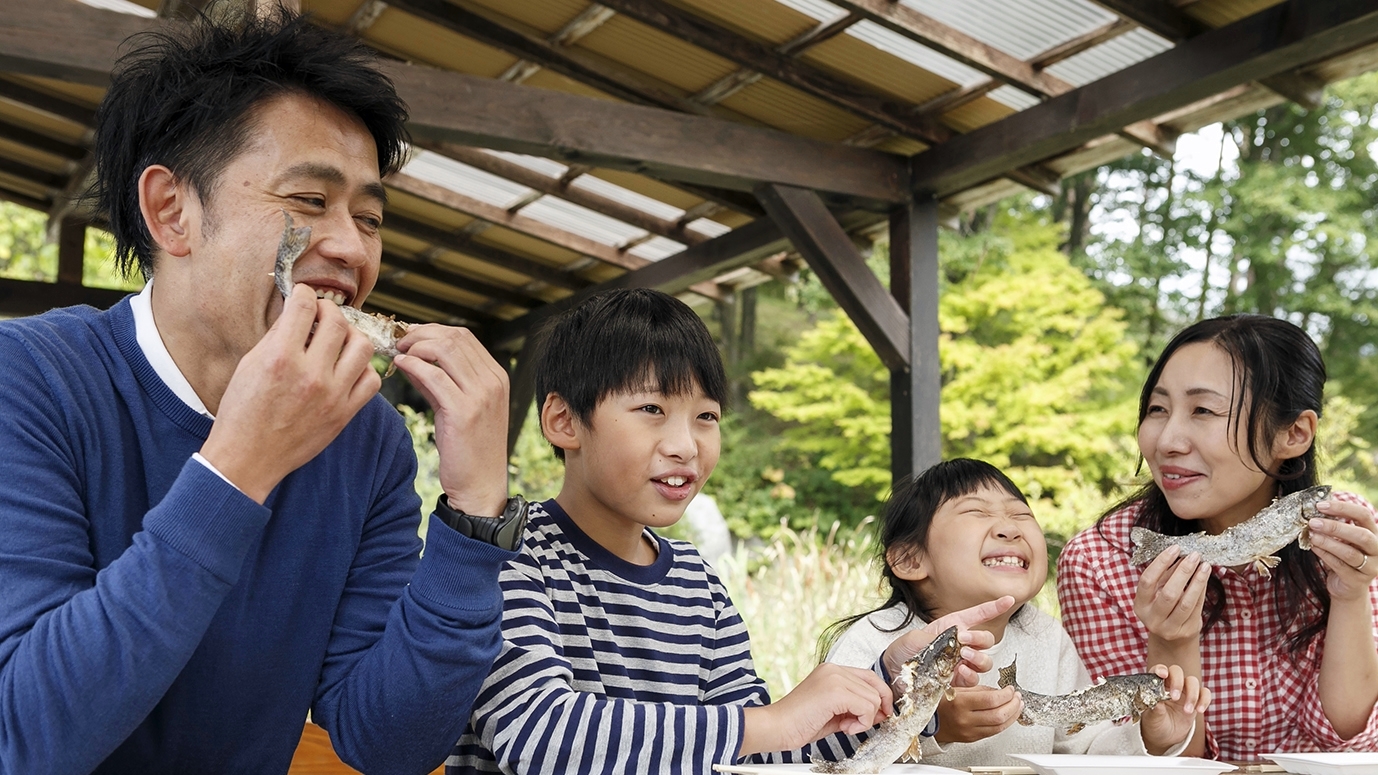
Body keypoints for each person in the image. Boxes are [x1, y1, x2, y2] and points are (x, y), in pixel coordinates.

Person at [0, 10, 528, 775]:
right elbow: (26, 736)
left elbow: (388, 743)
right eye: (310, 202)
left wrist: (475, 515)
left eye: (371, 217)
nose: (351, 246)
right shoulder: (30, 379)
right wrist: (241, 464)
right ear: (170, 211)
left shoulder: (367, 440)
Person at [446, 289, 1010, 774]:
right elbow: (539, 737)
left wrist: (895, 679)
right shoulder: (506, 553)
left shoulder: (697, 583)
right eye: (651, 408)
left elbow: (758, 753)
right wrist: (770, 722)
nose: (685, 445)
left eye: (706, 416)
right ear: (564, 421)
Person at [1057, 314, 1378, 759]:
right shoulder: (1101, 561)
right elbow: (1141, 759)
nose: (1167, 440)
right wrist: (1172, 640)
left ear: (1294, 433)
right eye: (1157, 409)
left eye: (1203, 410)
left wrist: (1349, 596)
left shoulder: (1344, 531)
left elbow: (1348, 738)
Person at [823, 458, 1207, 768]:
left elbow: (1084, 752)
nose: (1009, 528)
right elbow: (828, 755)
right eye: (975, 512)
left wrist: (1153, 737)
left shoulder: (1046, 638)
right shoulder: (876, 640)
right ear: (910, 559)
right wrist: (933, 730)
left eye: (1021, 515)